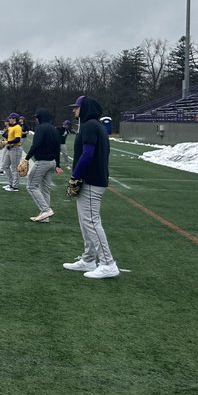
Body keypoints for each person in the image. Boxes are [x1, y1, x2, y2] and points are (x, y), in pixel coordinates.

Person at [63, 95, 121, 279]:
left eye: (77, 107)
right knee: (85, 221)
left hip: (91, 181)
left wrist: (75, 176)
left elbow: (87, 155)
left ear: (85, 108)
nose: (74, 111)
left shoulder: (89, 126)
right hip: (93, 180)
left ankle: (108, 263)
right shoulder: (96, 126)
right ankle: (89, 259)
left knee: (91, 222)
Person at [20, 108, 62, 222]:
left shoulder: (40, 128)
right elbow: (57, 148)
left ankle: (45, 210)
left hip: (43, 162)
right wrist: (58, 165)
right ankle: (45, 217)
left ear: (40, 117)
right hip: (52, 162)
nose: (36, 119)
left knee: (31, 186)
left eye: (37, 117)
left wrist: (26, 158)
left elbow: (36, 145)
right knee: (45, 189)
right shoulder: (54, 129)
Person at [2, 112, 24, 190]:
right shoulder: (11, 127)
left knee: (15, 168)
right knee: (5, 166)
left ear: (14, 118)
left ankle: (15, 186)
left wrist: (7, 142)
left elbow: (17, 139)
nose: (9, 119)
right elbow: (4, 135)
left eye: (10, 118)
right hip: (9, 148)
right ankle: (10, 183)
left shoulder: (17, 127)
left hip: (15, 149)